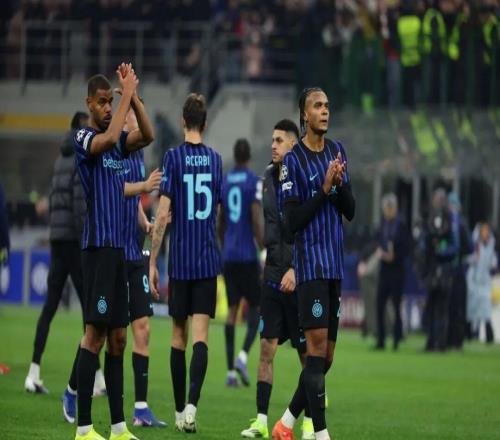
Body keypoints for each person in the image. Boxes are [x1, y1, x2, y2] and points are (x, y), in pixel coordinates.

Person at [61, 108, 164, 427]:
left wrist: (144, 222)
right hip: (109, 249)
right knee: (98, 332)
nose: (133, 120)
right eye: (130, 113)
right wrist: (143, 186)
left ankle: (139, 409)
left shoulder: (136, 152)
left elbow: (130, 200)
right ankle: (73, 389)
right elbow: (117, 189)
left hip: (132, 252)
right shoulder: (111, 147)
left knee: (136, 330)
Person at [72, 63, 154, 440]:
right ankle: (84, 427)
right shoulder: (84, 137)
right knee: (95, 336)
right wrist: (124, 99)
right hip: (98, 249)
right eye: (102, 102)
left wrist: (133, 98)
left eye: (111, 101)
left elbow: (148, 135)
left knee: (119, 339)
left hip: (120, 251)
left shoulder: (119, 140)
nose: (108, 107)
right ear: (89, 103)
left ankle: (119, 427)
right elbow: (105, 141)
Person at [272, 88, 355, 440]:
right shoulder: (293, 161)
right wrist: (323, 190)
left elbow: (350, 210)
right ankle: (321, 434)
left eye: (327, 106)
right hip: (310, 268)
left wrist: (338, 186)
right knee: (315, 357)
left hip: (334, 267)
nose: (325, 111)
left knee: (326, 359)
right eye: (318, 106)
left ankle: (286, 423)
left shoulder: (338, 152)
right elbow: (291, 224)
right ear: (304, 115)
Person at [149, 93, 223, 434]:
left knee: (177, 337)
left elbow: (163, 214)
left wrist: (153, 261)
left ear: (183, 122)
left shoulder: (173, 158)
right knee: (200, 338)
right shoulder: (216, 161)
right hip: (207, 260)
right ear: (204, 124)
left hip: (179, 261)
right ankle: (192, 407)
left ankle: (179, 411)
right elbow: (216, 212)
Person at [240, 119, 315, 440]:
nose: (273, 145)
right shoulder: (268, 178)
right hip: (271, 276)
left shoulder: (304, 179)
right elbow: (268, 226)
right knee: (266, 349)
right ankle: (260, 420)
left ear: (293, 145)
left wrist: (296, 268)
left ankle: (310, 423)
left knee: (307, 356)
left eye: (279, 140)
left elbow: (309, 229)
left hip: (297, 278)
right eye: (272, 139)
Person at [24, 111, 105, 395]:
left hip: (57, 239)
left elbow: (55, 198)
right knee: (90, 308)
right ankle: (95, 380)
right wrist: (87, 241)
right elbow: (79, 204)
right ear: (81, 129)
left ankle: (33, 372)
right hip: (73, 241)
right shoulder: (79, 157)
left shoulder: (60, 158)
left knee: (50, 306)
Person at [219, 138, 263, 387]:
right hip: (247, 255)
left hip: (229, 255)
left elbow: (220, 219)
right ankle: (243, 356)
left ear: (235, 156)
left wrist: (224, 244)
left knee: (232, 311)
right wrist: (263, 246)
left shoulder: (225, 181)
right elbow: (256, 216)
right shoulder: (253, 181)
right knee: (257, 306)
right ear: (248, 157)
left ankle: (229, 373)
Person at [374, 193, 410, 351]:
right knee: (380, 304)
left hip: (397, 270)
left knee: (396, 305)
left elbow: (407, 247)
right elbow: (377, 241)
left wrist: (395, 256)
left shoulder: (401, 225)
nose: (388, 211)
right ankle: (381, 340)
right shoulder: (382, 224)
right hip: (384, 269)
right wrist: (381, 252)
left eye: (390, 208)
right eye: (386, 208)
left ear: (395, 208)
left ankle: (396, 339)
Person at [467, 223, 497, 343]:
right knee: (471, 308)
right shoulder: (475, 245)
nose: (485, 233)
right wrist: (474, 258)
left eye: (486, 231)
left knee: (486, 309)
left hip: (485, 282)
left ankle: (489, 335)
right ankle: (469, 334)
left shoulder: (491, 246)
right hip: (474, 281)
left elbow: (493, 263)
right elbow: (468, 259)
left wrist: (493, 265)